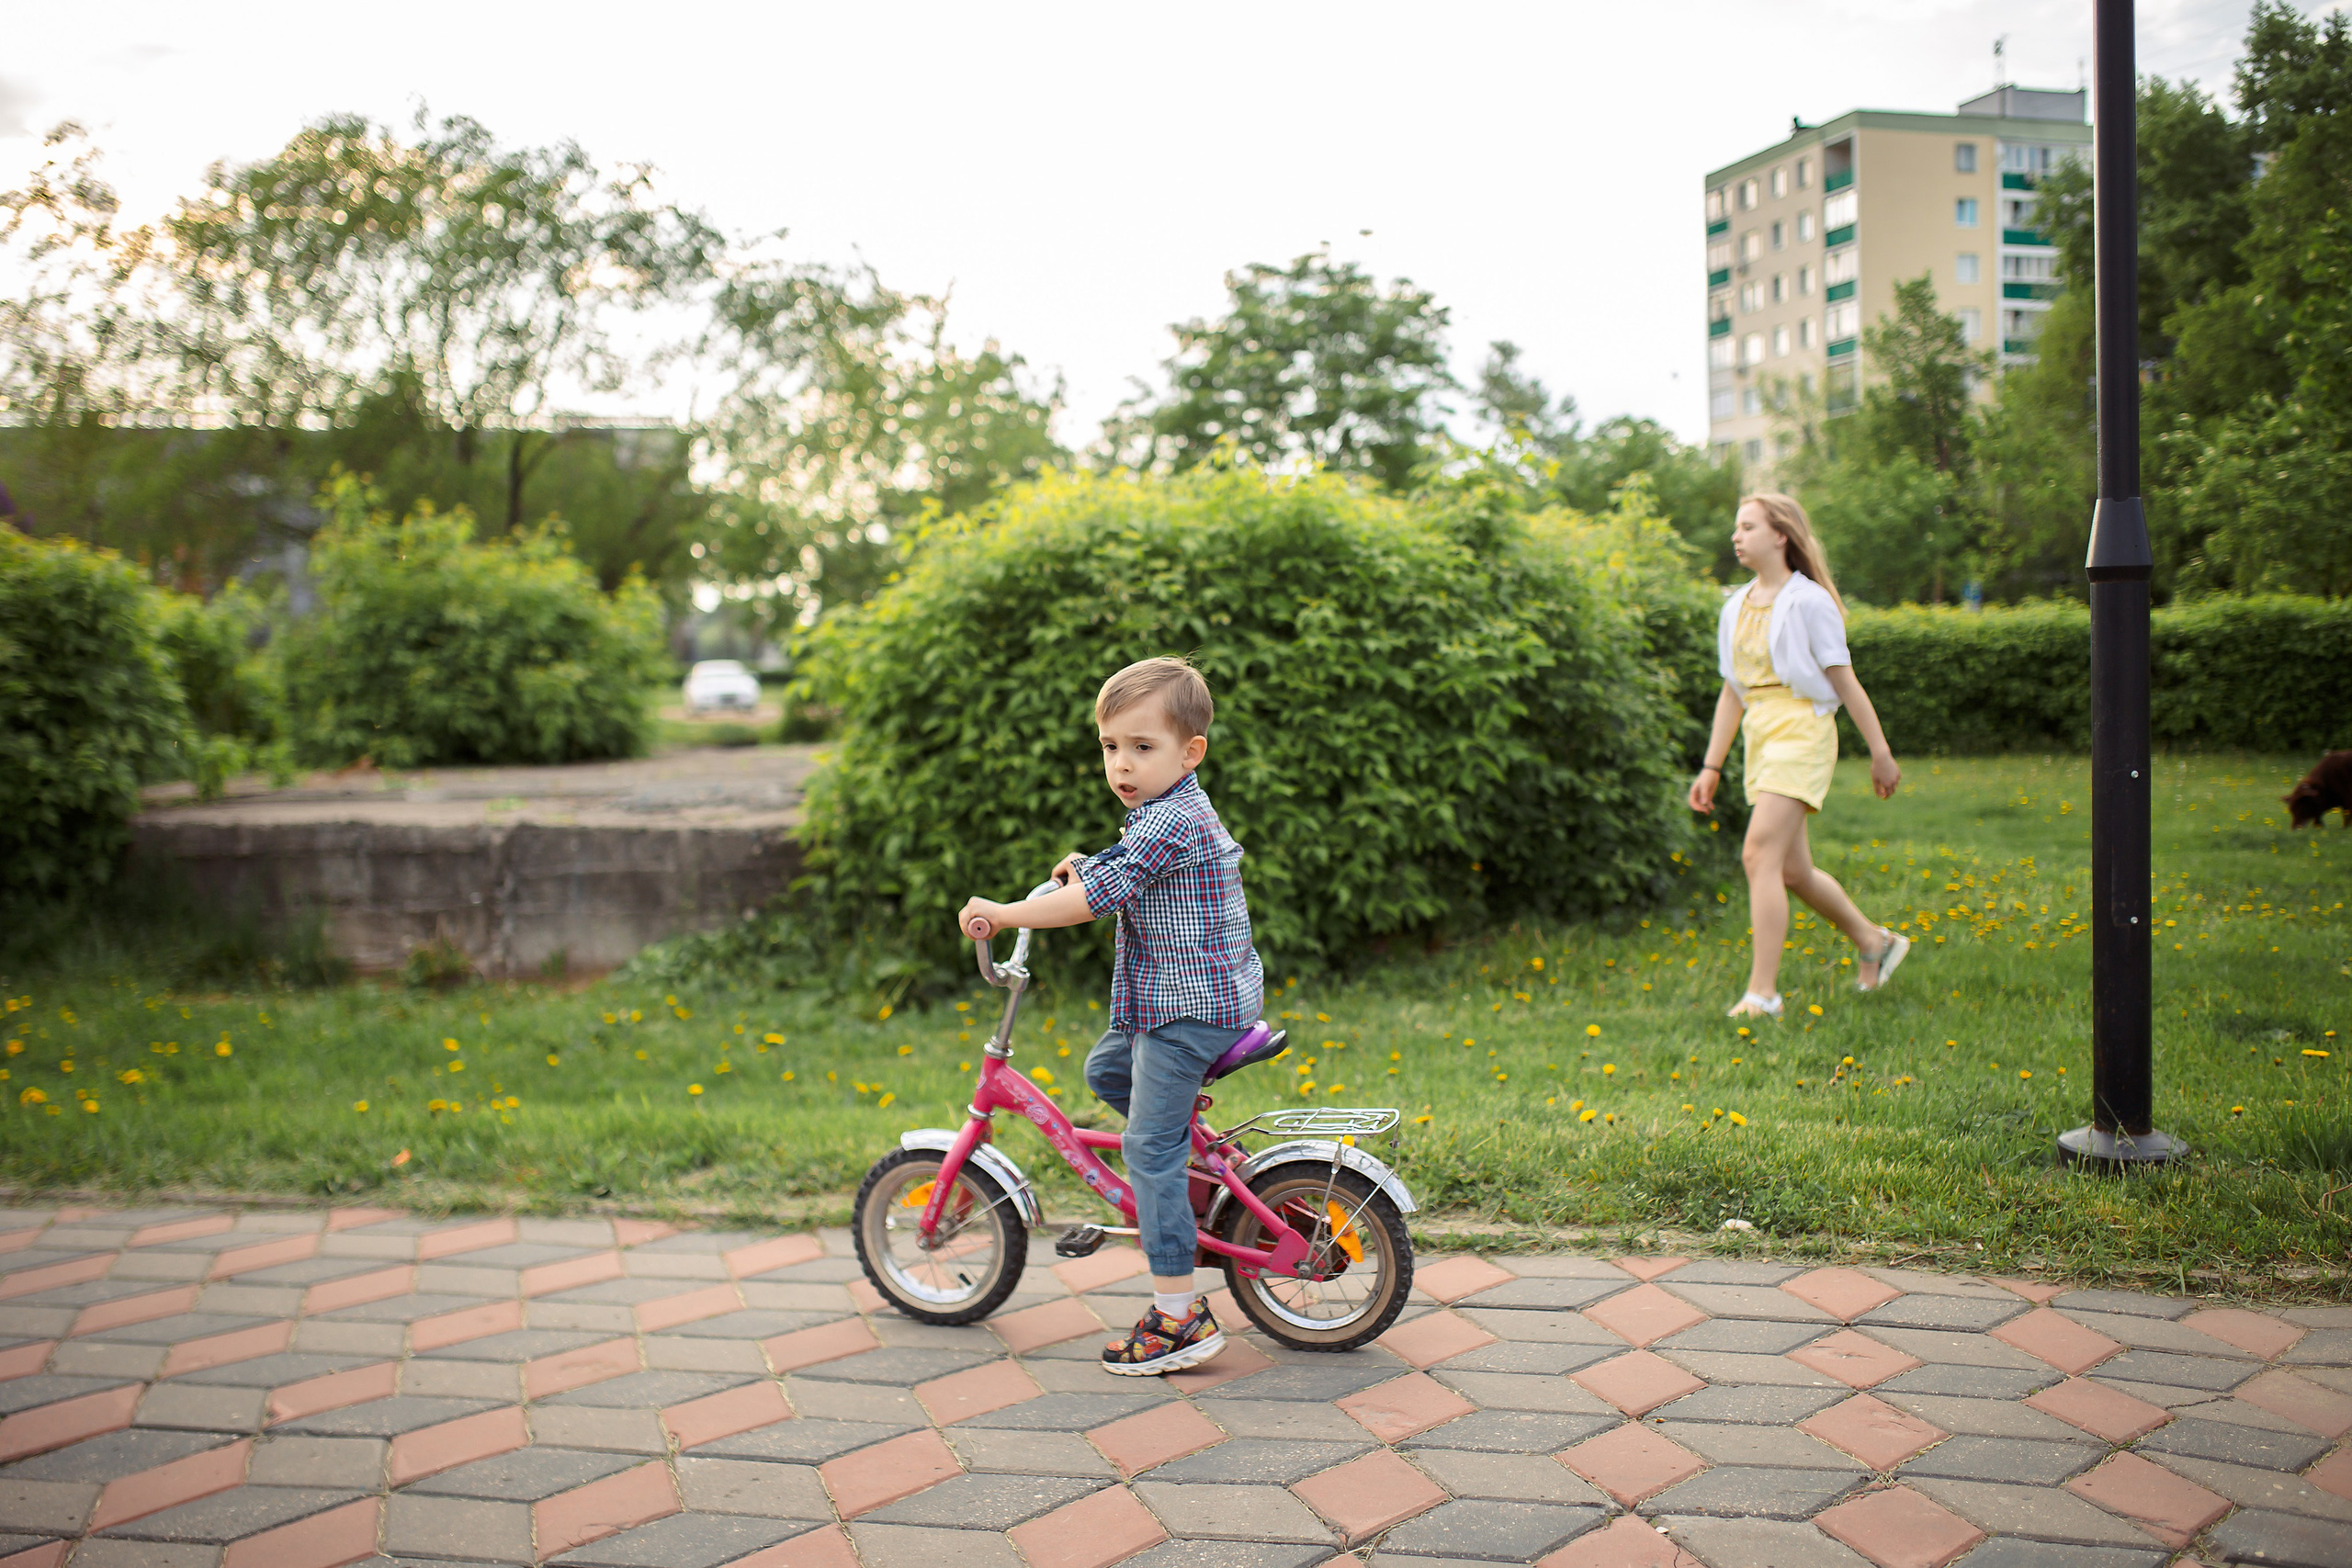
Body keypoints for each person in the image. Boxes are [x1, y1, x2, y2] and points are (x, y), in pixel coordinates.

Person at [958, 657, 1261, 1375]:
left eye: (1142, 747)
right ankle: (1201, 1165)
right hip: (1193, 1002)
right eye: (1110, 746)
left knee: (1146, 1152)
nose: (1122, 764)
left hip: (1187, 1013)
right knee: (1106, 1069)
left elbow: (1098, 898)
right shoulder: (1167, 811)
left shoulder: (1172, 820)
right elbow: (1128, 866)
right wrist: (1089, 863)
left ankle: (1179, 1317)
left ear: (1190, 752)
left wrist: (1006, 913)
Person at [1686, 493, 1908, 1020]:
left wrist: (1880, 752)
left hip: (1802, 733)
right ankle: (1874, 941)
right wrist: (1712, 766)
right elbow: (1732, 692)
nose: (1736, 536)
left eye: (1748, 527)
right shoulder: (1734, 607)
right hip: (1760, 736)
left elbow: (1844, 680)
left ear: (1780, 535)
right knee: (1792, 871)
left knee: (1757, 855)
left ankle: (1763, 995)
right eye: (1736, 528)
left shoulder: (1809, 601)